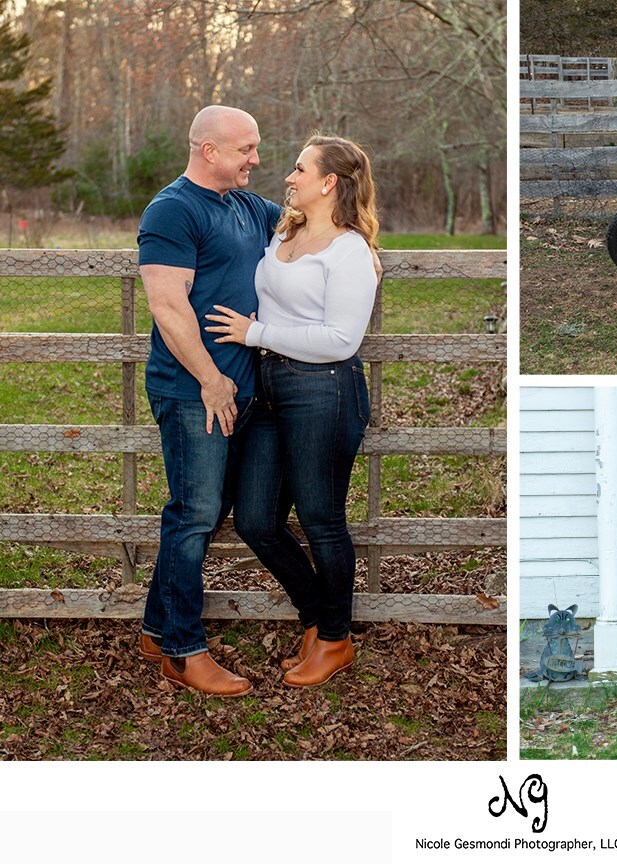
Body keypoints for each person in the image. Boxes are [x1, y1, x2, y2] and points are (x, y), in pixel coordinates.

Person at [204, 135, 379, 687]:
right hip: (269, 385)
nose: (288, 176)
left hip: (324, 388)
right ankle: (317, 619)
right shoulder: (288, 228)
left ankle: (335, 640)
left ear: (329, 182)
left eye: (299, 169)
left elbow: (340, 340)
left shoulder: (350, 250)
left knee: (323, 520)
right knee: (256, 519)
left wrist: (254, 332)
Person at [137, 106, 282, 696]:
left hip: (240, 387)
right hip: (194, 389)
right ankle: (183, 650)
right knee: (194, 513)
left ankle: (155, 629)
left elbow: (312, 222)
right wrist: (210, 378)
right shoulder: (172, 210)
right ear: (208, 151)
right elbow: (169, 306)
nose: (255, 159)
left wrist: (359, 245)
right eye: (245, 149)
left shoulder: (249, 206)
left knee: (204, 512)